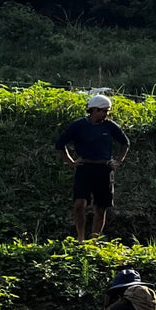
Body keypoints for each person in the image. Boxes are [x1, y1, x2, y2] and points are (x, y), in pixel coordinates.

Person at [54, 93, 130, 242]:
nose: (106, 114)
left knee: (100, 208)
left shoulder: (109, 126)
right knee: (79, 204)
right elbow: (60, 144)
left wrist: (118, 161)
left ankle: (93, 241)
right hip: (84, 168)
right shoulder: (79, 125)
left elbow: (125, 143)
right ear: (94, 110)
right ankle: (80, 238)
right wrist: (71, 162)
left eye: (107, 111)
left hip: (104, 169)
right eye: (104, 111)